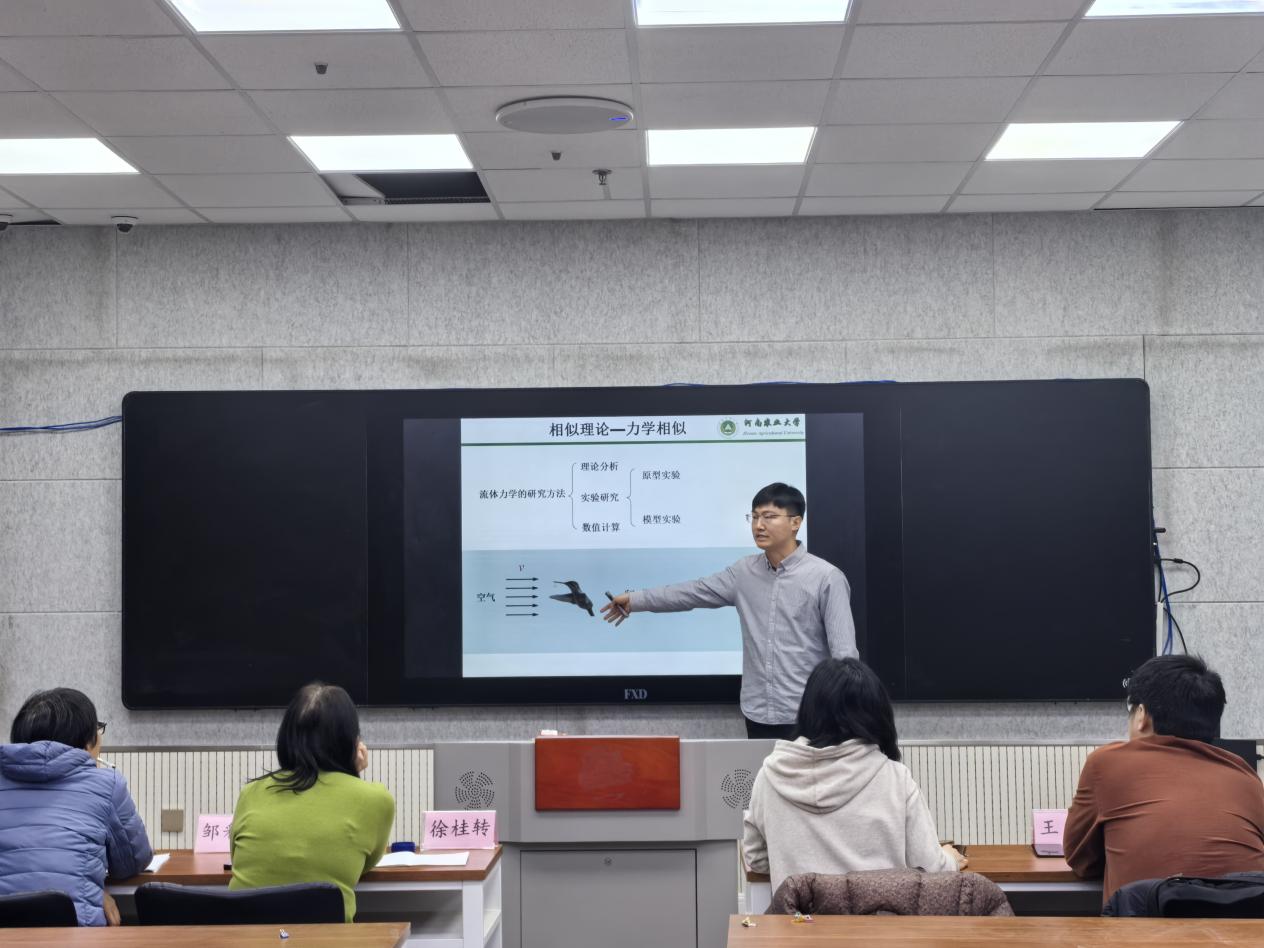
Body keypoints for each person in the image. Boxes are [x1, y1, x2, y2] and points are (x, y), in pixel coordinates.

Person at [601, 482, 857, 739]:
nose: (758, 525)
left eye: (769, 516)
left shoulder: (826, 577)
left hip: (812, 716)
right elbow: (692, 592)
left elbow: (845, 657)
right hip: (758, 713)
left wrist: (846, 719)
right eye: (754, 517)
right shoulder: (744, 572)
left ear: (795, 522)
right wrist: (635, 600)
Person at [742, 658, 966, 893]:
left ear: (808, 710)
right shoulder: (896, 779)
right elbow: (932, 870)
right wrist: (949, 859)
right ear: (876, 715)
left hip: (799, 916)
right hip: (881, 916)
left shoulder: (769, 776)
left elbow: (755, 858)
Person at [1064, 654, 1264, 904]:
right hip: (1245, 926)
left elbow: (1080, 860)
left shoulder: (1106, 764)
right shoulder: (1245, 774)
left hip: (1144, 924)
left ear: (1141, 715)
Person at [230, 683, 394, 921]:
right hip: (326, 938)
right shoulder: (376, 799)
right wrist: (353, 773)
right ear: (349, 741)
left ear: (286, 737)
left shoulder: (251, 792)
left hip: (242, 937)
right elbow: (363, 864)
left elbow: (238, 859)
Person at [0, 688, 152, 926]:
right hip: (78, 933)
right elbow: (132, 862)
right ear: (87, 740)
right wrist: (90, 887)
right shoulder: (107, 784)